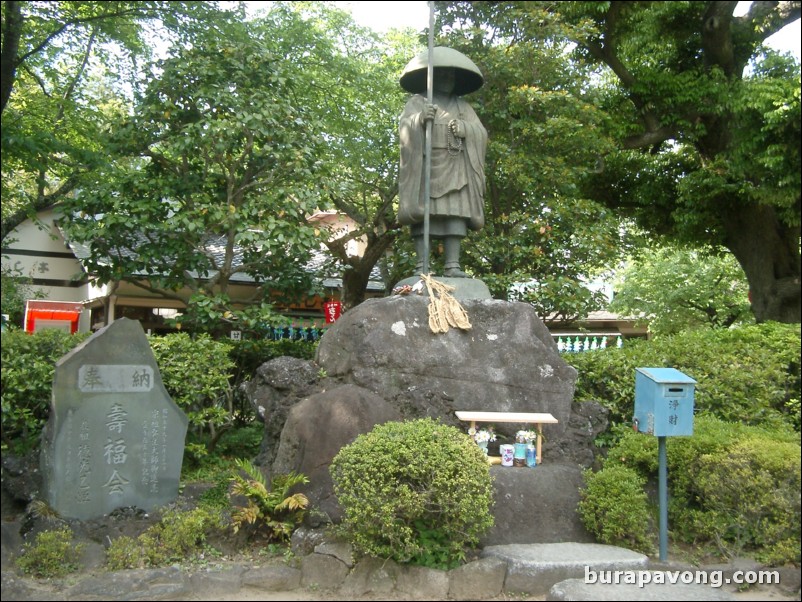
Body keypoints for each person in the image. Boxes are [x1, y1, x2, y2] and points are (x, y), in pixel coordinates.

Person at [398, 47, 487, 278]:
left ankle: (452, 264)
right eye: (443, 75)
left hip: (455, 164)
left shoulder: (463, 107)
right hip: (426, 165)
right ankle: (422, 264)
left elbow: (480, 133)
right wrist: (419, 119)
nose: (448, 80)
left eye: (452, 76)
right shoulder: (418, 102)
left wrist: (466, 129)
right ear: (432, 76)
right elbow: (404, 128)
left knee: (455, 213)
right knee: (423, 214)